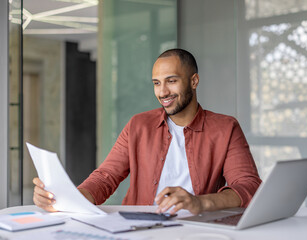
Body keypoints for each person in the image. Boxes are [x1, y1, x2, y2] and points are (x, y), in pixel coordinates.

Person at [33, 48, 261, 215]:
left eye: (171, 81)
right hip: (137, 229)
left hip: (196, 229)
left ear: (194, 81)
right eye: (156, 83)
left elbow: (249, 186)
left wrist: (200, 202)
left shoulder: (226, 128)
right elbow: (106, 177)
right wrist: (67, 198)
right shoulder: (138, 125)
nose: (163, 92)